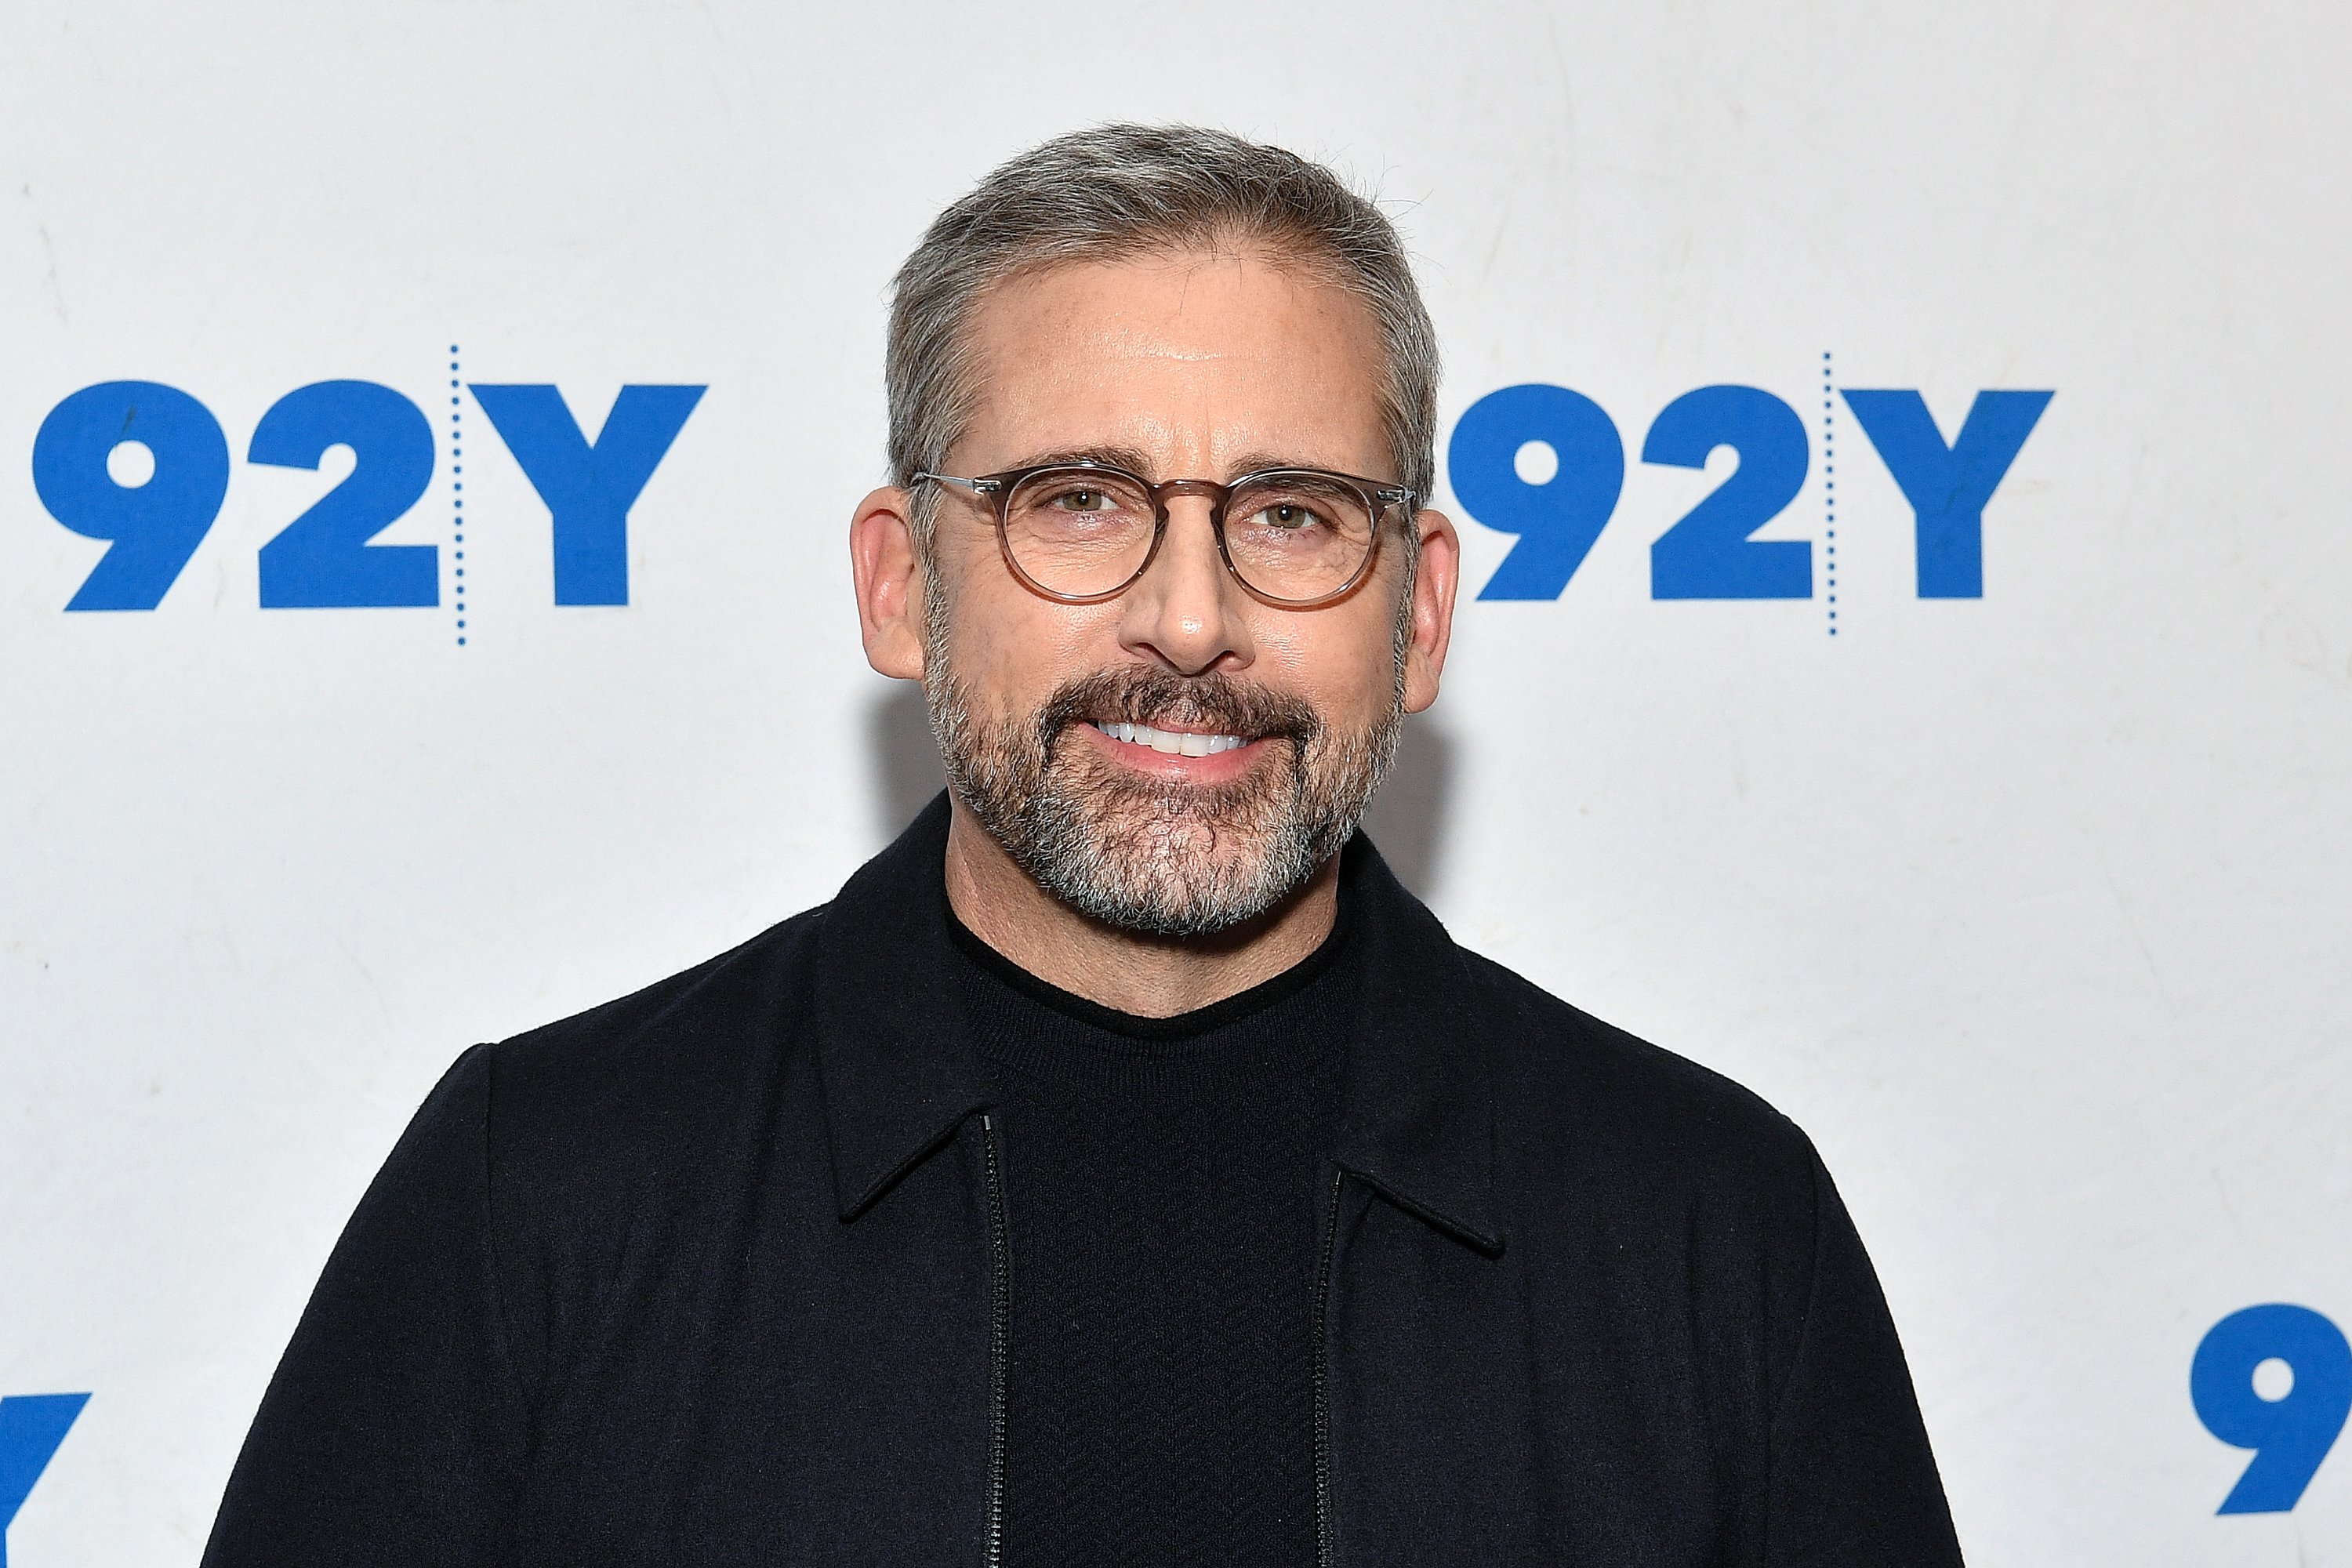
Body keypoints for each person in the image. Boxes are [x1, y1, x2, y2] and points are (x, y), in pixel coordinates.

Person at [201, 123, 1965, 1567]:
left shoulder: (1710, 1232)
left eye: (1291, 515)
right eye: (1079, 502)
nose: (1188, 621)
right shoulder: (546, 1196)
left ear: (1419, 614)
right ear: (904, 585)